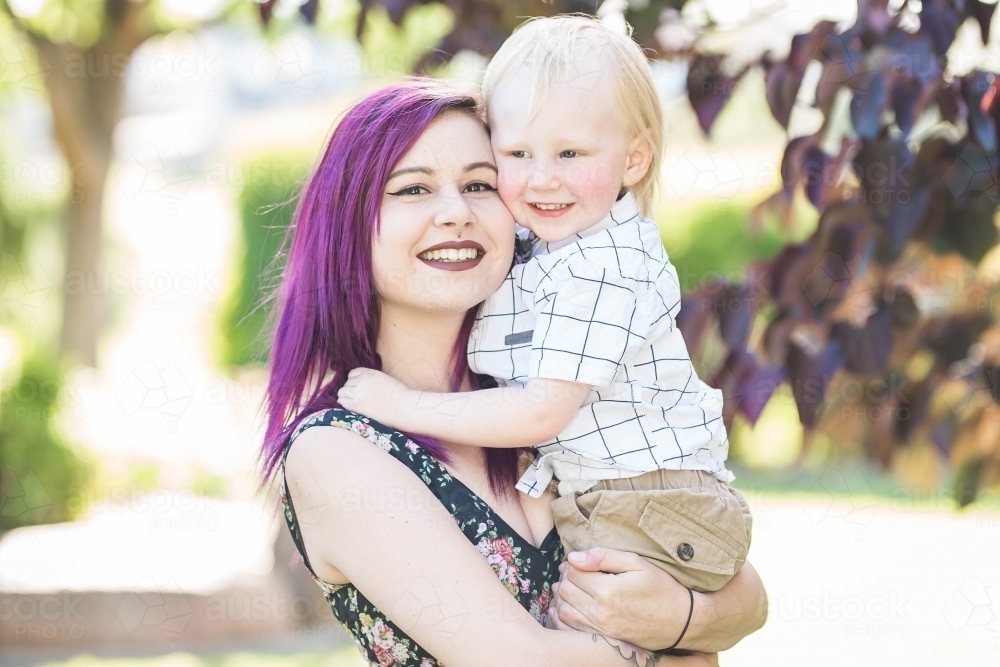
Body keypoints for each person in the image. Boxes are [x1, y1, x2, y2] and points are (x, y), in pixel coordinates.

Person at [261, 79, 767, 667]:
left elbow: (741, 585)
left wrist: (684, 617)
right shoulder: (338, 450)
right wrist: (685, 647)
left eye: (479, 184)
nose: (456, 213)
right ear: (347, 226)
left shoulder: (548, 394)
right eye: (413, 189)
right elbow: (519, 659)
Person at [338, 16, 752, 598]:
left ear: (634, 161)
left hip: (651, 503)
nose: (541, 180)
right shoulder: (552, 245)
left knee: (585, 630)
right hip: (619, 495)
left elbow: (539, 414)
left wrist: (403, 405)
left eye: (570, 153)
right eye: (516, 153)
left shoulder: (601, 267)